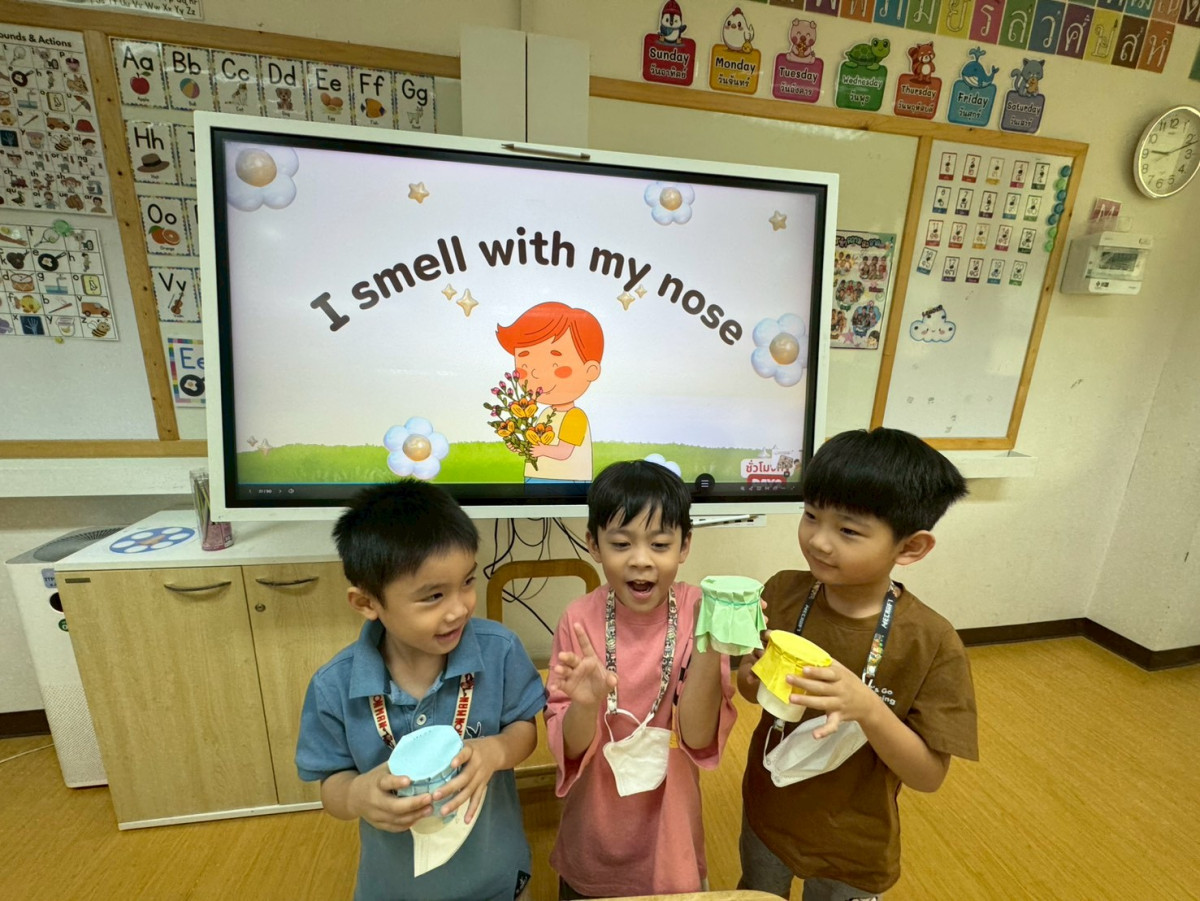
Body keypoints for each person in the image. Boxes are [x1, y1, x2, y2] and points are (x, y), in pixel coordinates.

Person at [737, 428, 978, 900]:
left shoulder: (931, 642)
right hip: (768, 812)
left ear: (910, 548)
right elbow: (752, 691)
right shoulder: (782, 592)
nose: (819, 541)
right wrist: (751, 674)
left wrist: (867, 708)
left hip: (854, 840)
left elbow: (928, 776)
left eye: (848, 531)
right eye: (811, 515)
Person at [295, 481, 547, 901]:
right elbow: (331, 786)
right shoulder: (334, 685)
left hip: (498, 880)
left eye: (467, 582)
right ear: (367, 603)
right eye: (433, 596)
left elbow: (524, 729)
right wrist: (357, 795)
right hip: (395, 889)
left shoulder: (500, 650)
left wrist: (495, 752)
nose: (459, 608)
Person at [545, 460, 737, 899]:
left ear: (685, 546)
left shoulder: (700, 611)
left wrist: (712, 643)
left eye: (660, 544)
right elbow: (570, 750)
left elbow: (698, 737)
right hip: (595, 823)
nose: (641, 560)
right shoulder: (579, 619)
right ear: (593, 544)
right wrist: (586, 704)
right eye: (620, 543)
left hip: (670, 826)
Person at [495, 302, 603, 487]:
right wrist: (519, 446)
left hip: (567, 481)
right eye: (525, 366)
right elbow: (536, 445)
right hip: (536, 477)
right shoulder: (546, 413)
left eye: (554, 365)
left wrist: (541, 450)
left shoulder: (575, 416)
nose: (536, 374)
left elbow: (564, 452)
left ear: (590, 371)